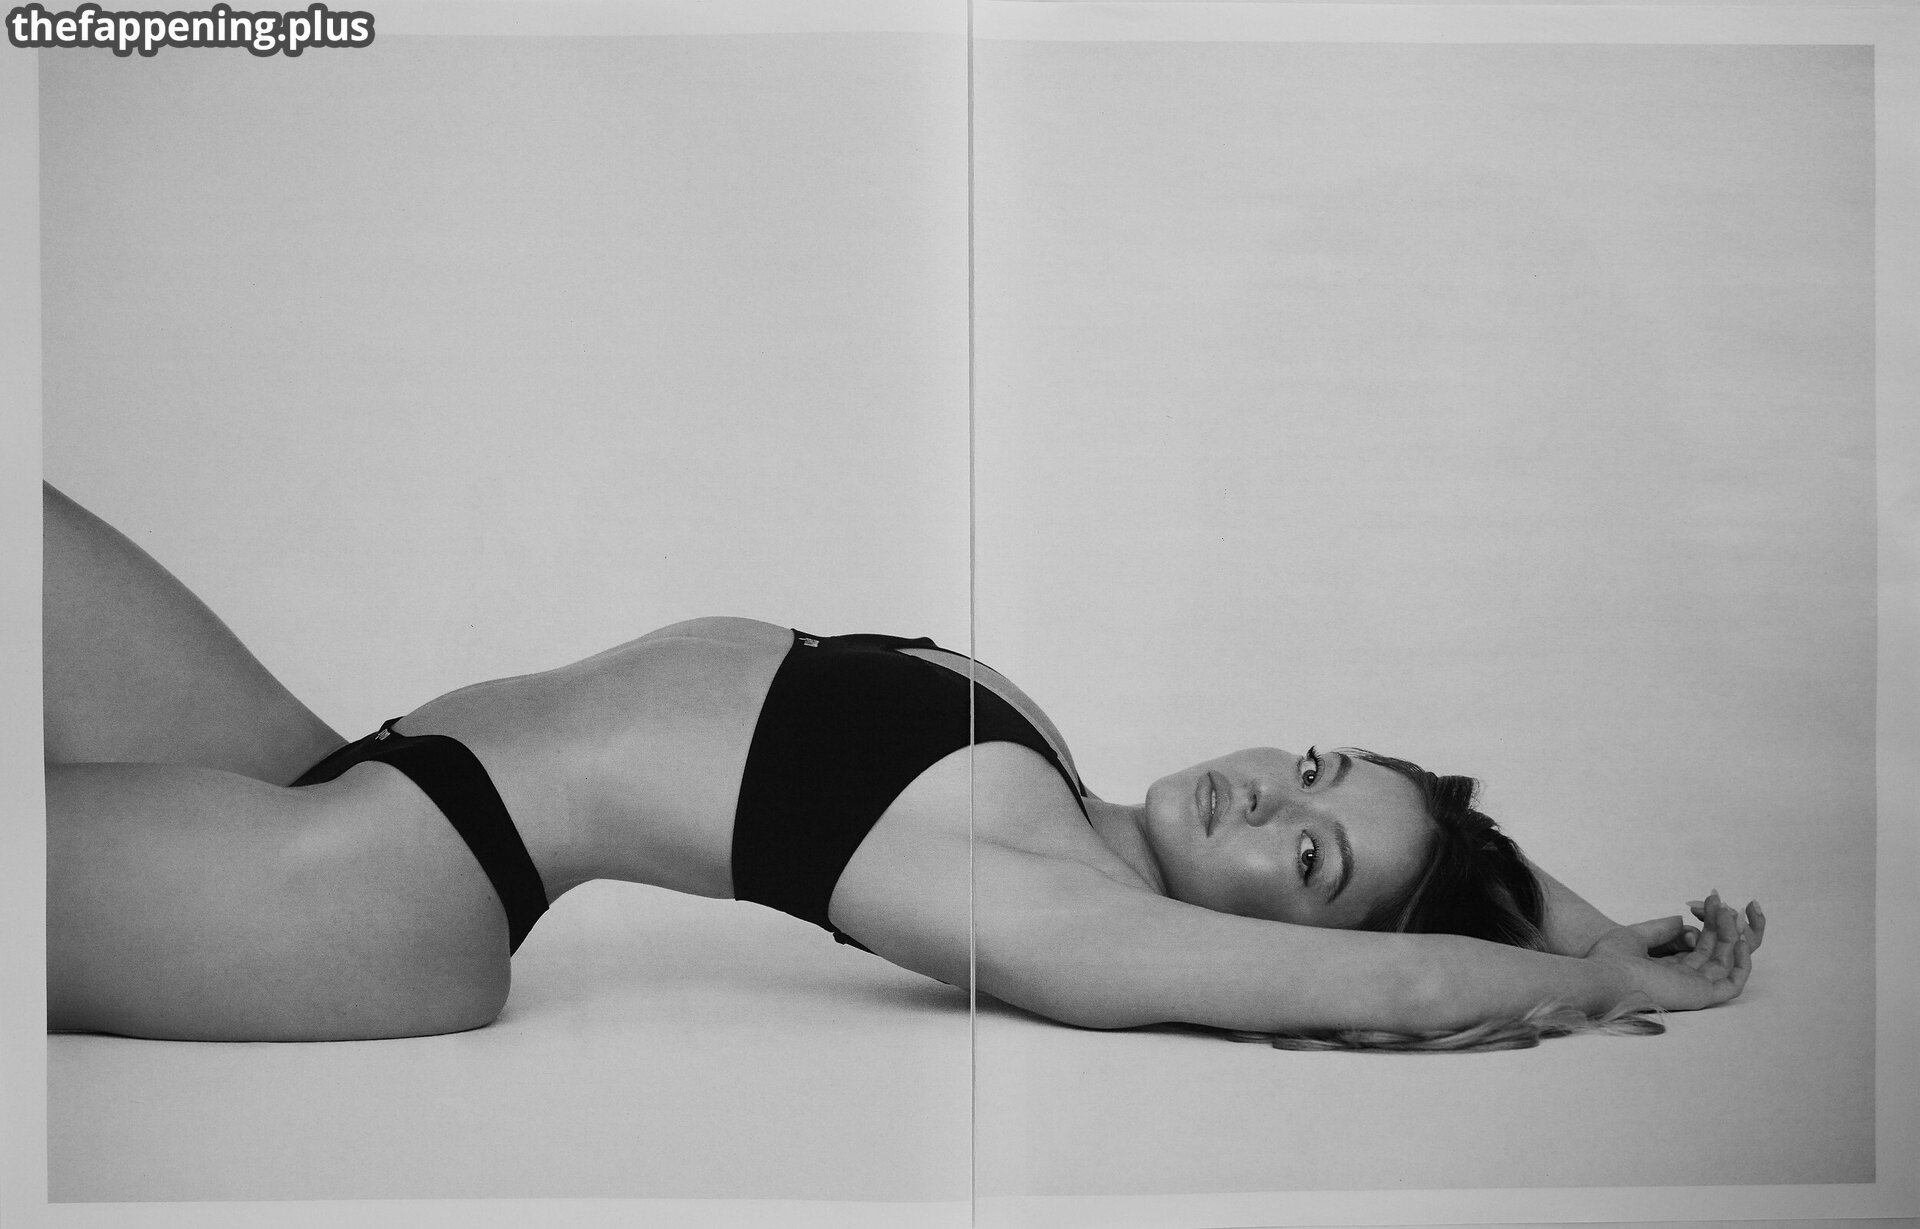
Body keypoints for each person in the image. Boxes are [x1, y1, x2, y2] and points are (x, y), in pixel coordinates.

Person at [43, 482, 1761, 1048]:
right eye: (1315, 763)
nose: (1271, 795)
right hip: (346, 765)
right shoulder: (1046, 763)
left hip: (387, 888)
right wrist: (1591, 918)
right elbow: (1443, 854)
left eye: (1307, 858)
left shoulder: (1063, 903)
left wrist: (1598, 987)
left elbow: (1398, 978)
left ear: (1281, 943)